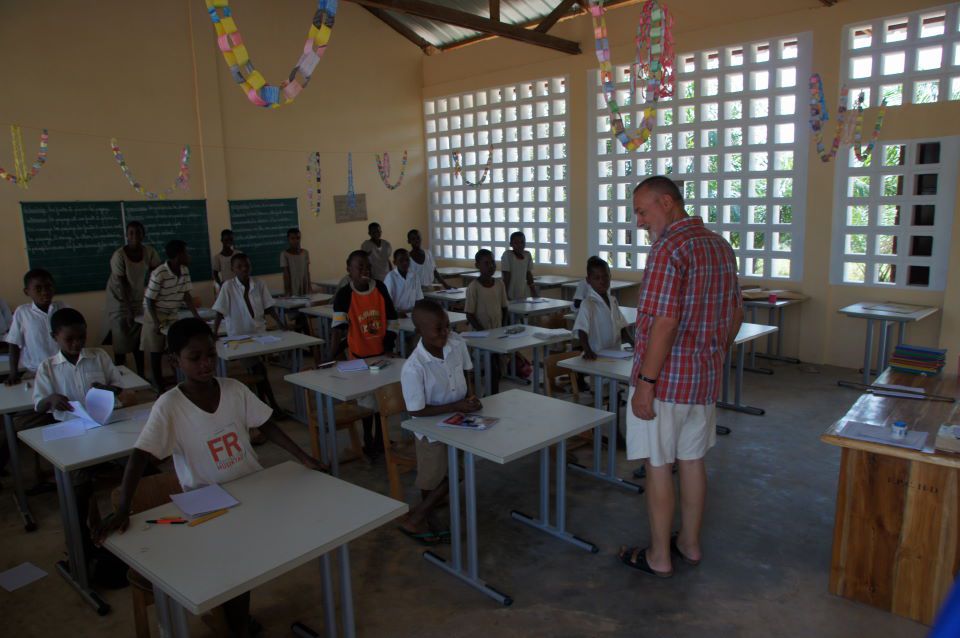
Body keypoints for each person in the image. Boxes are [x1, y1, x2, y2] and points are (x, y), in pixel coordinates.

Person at [94, 318, 325, 637]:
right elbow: (140, 455)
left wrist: (303, 457)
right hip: (209, 504)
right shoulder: (169, 406)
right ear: (175, 361)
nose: (205, 363)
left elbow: (267, 423)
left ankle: (235, 622)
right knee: (234, 571)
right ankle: (236, 626)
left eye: (210, 355)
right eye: (195, 357)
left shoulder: (234, 390)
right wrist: (123, 508)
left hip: (252, 490)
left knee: (271, 552)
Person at [619, 176, 742, 578]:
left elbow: (665, 321)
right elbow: (735, 313)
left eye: (642, 211)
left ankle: (658, 555)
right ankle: (689, 543)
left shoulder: (669, 248)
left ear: (667, 203)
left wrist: (646, 384)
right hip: (703, 381)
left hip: (667, 383)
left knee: (658, 464)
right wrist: (713, 352)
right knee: (692, 461)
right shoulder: (720, 246)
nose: (639, 221)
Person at [398, 300, 480, 544]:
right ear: (420, 332)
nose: (445, 333)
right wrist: (456, 406)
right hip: (430, 429)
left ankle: (427, 511)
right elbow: (418, 410)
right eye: (438, 329)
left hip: (458, 420)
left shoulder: (456, 343)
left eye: (447, 326)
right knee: (433, 477)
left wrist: (471, 396)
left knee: (455, 470)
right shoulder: (413, 368)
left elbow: (467, 371)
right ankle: (420, 518)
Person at [331, 251, 399, 458]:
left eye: (367, 266)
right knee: (366, 403)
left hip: (381, 356)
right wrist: (332, 355)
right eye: (359, 267)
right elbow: (339, 327)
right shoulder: (344, 295)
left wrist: (388, 347)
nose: (365, 271)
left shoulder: (379, 288)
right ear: (348, 269)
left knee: (381, 401)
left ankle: (380, 438)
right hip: (358, 358)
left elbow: (392, 320)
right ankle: (368, 439)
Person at [212, 253, 283, 417]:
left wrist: (280, 323)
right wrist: (214, 334)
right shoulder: (228, 286)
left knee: (258, 369)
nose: (244, 269)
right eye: (239, 267)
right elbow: (219, 312)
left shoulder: (258, 283)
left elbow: (269, 307)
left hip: (259, 335)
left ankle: (264, 405)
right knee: (259, 369)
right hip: (239, 338)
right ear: (232, 269)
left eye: (247, 266)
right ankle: (271, 406)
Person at [34, 308, 127, 422]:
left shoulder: (99, 356)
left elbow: (119, 387)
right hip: (70, 423)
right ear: (54, 336)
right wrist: (51, 400)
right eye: (69, 339)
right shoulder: (47, 367)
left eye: (82, 337)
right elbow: (39, 406)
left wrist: (108, 390)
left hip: (106, 419)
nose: (77, 343)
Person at [104, 221, 163, 378]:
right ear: (126, 235)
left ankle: (141, 376)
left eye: (138, 232)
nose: (135, 236)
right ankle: (119, 378)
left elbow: (157, 273)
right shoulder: (119, 255)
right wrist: (129, 310)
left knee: (138, 340)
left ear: (143, 234)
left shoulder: (149, 252)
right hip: (119, 300)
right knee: (120, 340)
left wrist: (155, 298)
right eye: (131, 233)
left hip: (138, 298)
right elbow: (122, 283)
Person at [142, 240, 200, 391]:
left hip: (172, 313)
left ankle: (179, 382)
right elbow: (149, 300)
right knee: (156, 350)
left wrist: (196, 316)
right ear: (178, 255)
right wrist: (155, 322)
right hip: (155, 313)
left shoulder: (184, 270)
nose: (188, 255)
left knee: (175, 349)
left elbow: (186, 295)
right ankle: (159, 387)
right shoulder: (160, 272)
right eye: (186, 252)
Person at [4, 268, 67, 386]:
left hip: (64, 368)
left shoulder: (63, 307)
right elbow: (13, 343)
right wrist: (13, 373)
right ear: (27, 291)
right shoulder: (22, 313)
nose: (44, 292)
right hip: (36, 372)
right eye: (38, 288)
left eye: (48, 286)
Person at [464, 249, 508, 394]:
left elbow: (504, 308)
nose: (491, 266)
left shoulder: (499, 284)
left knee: (498, 367)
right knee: (491, 367)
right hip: (480, 335)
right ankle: (489, 395)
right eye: (486, 263)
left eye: (493, 262)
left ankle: (492, 394)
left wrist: (504, 329)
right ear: (477, 265)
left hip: (497, 333)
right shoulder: (473, 287)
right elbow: (469, 314)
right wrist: (484, 332)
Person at [574, 257, 631, 360]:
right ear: (588, 280)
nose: (602, 281)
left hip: (615, 353)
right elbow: (581, 330)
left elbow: (622, 326)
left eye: (605, 276)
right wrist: (587, 351)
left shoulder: (613, 300)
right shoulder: (587, 303)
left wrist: (633, 343)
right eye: (597, 278)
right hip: (597, 354)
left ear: (610, 276)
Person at [383, 248, 423, 317]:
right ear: (394, 262)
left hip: (412, 314)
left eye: (407, 260)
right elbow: (386, 301)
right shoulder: (390, 277)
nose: (405, 263)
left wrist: (417, 312)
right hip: (396, 314)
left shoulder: (415, 276)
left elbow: (418, 298)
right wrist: (396, 313)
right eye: (401, 260)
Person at [501, 231, 537, 301]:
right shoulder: (507, 255)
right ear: (511, 244)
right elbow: (506, 275)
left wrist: (533, 291)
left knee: (524, 310)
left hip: (523, 292)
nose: (520, 245)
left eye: (522, 242)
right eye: (516, 243)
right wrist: (505, 293)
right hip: (511, 291)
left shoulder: (527, 255)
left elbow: (528, 274)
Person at [281, 227, 312, 296]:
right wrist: (287, 290)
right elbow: (286, 275)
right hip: (292, 288)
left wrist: (309, 286)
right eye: (292, 238)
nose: (296, 241)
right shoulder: (284, 254)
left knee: (306, 305)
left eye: (298, 238)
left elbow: (307, 272)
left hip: (305, 286)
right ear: (288, 240)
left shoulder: (305, 253)